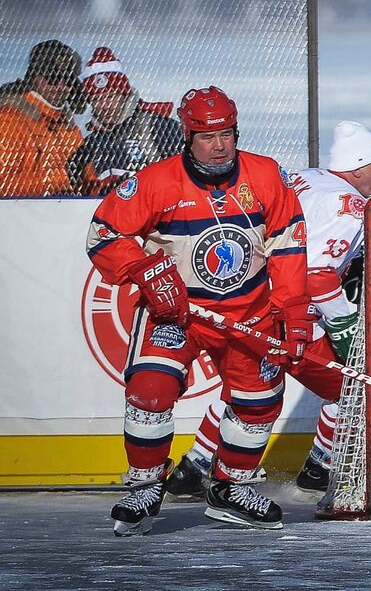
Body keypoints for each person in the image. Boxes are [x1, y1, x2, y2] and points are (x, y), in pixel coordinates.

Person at [87, 86, 310, 535]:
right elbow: (103, 236)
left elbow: (288, 245)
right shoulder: (154, 181)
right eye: (207, 136)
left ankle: (230, 488)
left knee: (259, 402)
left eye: (226, 133)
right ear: (187, 136)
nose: (219, 144)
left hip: (249, 312)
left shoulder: (266, 176)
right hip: (176, 315)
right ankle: (146, 487)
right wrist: (144, 270)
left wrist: (294, 310)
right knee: (150, 389)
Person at [165, 121, 371, 498]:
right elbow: (316, 276)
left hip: (246, 303)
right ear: (358, 166)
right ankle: (320, 469)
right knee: (350, 388)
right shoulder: (350, 206)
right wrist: (344, 324)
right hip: (287, 316)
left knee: (247, 387)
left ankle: (194, 466)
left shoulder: (306, 177)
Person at [69, 47, 183, 195]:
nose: (104, 106)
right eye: (97, 99)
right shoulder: (91, 144)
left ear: (125, 95)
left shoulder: (159, 127)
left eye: (110, 97)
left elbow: (183, 179)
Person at [0, 39, 84, 197]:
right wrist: (56, 189)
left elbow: (86, 180)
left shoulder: (70, 129)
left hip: (64, 216)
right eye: (52, 79)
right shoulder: (8, 121)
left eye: (67, 80)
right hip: (20, 219)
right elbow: (4, 184)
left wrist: (104, 191)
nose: (60, 87)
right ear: (33, 77)